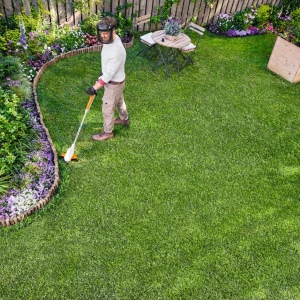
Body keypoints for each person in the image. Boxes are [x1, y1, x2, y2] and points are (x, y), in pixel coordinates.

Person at [86, 16, 129, 141]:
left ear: (114, 31)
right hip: (119, 82)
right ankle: (124, 119)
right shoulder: (113, 40)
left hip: (113, 84)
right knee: (119, 101)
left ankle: (108, 132)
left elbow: (109, 75)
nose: (103, 36)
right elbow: (109, 69)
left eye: (106, 33)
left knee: (107, 108)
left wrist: (94, 87)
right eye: (101, 33)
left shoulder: (116, 50)